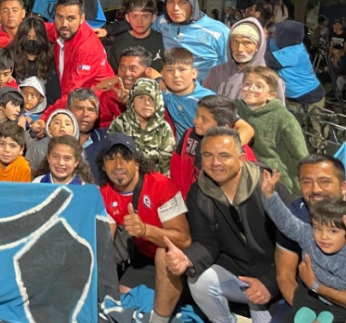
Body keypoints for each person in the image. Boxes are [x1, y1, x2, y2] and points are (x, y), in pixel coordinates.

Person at [162, 127, 287, 323]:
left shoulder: (267, 185)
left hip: (277, 274)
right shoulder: (199, 192)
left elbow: (292, 243)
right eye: (208, 155)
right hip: (238, 272)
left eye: (224, 156)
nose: (215, 163)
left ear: (242, 159)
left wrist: (270, 282)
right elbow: (206, 241)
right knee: (200, 282)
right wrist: (187, 259)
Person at [98, 132, 190, 323]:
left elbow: (184, 239)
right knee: (125, 298)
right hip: (143, 260)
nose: (118, 165)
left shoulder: (160, 185)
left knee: (163, 254)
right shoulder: (105, 193)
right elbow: (104, 242)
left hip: (177, 259)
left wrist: (145, 230)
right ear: (103, 166)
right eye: (111, 159)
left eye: (125, 157)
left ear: (137, 163)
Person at [260, 169, 346, 323]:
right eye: (318, 228)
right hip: (310, 297)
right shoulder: (308, 236)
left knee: (328, 320)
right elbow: (286, 222)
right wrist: (269, 196)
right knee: (296, 317)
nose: (324, 236)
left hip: (342, 303)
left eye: (333, 231)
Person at [107, 0, 229, 81]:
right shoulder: (162, 22)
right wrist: (108, 29)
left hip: (204, 96)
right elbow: (139, 22)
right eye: (171, 2)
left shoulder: (218, 31)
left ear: (192, 3)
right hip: (170, 93)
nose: (175, 8)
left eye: (183, 2)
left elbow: (230, 68)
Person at [237, 66, 308, 195]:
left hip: (279, 182)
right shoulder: (236, 110)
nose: (250, 89)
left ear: (271, 95)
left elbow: (300, 154)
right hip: (247, 175)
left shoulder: (283, 117)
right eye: (247, 84)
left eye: (259, 86)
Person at [170, 95, 259, 198]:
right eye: (197, 115)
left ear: (223, 127)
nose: (196, 121)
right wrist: (181, 195)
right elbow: (176, 164)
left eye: (204, 119)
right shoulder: (189, 134)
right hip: (188, 198)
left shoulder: (239, 151)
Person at [44, 0, 115, 108]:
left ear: (82, 19)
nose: (64, 24)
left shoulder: (87, 47)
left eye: (71, 18)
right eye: (59, 17)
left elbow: (73, 95)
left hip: (95, 111)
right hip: (72, 102)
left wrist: (45, 118)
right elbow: (38, 29)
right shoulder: (61, 30)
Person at [204, 17, 285, 102]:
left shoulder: (271, 80)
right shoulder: (216, 73)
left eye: (247, 43)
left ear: (258, 46)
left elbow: (278, 113)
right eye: (235, 42)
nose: (239, 49)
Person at [107, 78, 176, 173]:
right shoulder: (120, 123)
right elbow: (110, 157)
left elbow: (166, 166)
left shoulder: (164, 128)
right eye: (141, 97)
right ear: (132, 102)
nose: (147, 103)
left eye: (151, 98)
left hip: (153, 181)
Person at [266, 20, 326, 115]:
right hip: (294, 97)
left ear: (286, 36)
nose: (275, 35)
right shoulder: (286, 44)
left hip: (310, 95)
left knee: (317, 128)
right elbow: (269, 44)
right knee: (295, 126)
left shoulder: (294, 51)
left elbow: (269, 59)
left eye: (278, 33)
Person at [160, 47, 216, 139]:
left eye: (182, 69)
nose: (176, 75)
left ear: (194, 73)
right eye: (169, 70)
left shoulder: (208, 98)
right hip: (180, 150)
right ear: (162, 74)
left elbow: (241, 126)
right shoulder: (163, 95)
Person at [107, 0, 164, 72]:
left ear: (153, 17)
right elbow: (113, 73)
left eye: (145, 16)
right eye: (134, 16)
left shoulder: (163, 41)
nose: (139, 21)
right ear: (127, 18)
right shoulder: (119, 42)